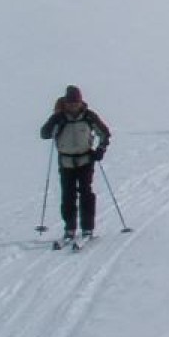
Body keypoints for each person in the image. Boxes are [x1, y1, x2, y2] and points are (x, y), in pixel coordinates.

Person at [38, 85, 111, 244]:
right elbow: (44, 134)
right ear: (65, 102)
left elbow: (105, 133)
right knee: (68, 195)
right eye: (70, 103)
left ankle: (87, 227)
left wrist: (100, 149)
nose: (73, 106)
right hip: (66, 162)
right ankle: (69, 227)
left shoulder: (89, 116)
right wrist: (56, 121)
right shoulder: (59, 117)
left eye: (75, 103)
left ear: (80, 101)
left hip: (85, 160)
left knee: (86, 193)